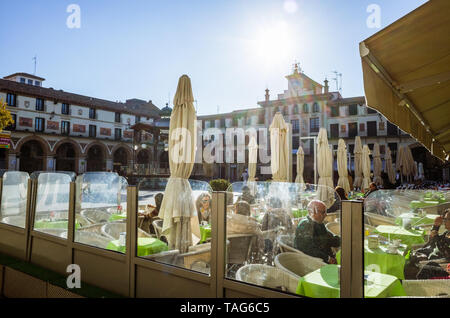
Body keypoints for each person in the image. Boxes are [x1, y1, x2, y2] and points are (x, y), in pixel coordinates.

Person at [405, 209, 450, 279]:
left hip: (440, 262)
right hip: (430, 254)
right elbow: (431, 242)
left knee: (414, 263)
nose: (444, 221)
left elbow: (446, 254)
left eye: (446, 219)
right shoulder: (447, 233)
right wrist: (436, 227)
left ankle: (412, 284)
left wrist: (436, 233)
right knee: (410, 256)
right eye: (444, 219)